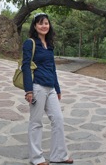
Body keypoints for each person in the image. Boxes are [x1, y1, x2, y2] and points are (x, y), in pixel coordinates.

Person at [22, 13, 73, 165]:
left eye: (46, 23)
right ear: (35, 26)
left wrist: (57, 89)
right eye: (40, 23)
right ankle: (37, 158)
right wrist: (28, 90)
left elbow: (52, 68)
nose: (44, 26)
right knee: (36, 122)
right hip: (37, 87)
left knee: (58, 119)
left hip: (50, 88)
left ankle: (59, 155)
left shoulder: (49, 44)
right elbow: (25, 67)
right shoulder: (30, 43)